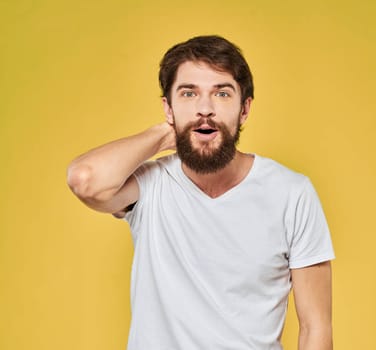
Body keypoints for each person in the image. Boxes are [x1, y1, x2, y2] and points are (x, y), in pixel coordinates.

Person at [67, 35, 335, 350]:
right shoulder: (151, 184)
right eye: (188, 93)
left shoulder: (292, 193)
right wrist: (164, 135)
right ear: (168, 107)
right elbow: (85, 180)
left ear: (244, 109)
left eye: (222, 93)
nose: (204, 109)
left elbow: (315, 326)